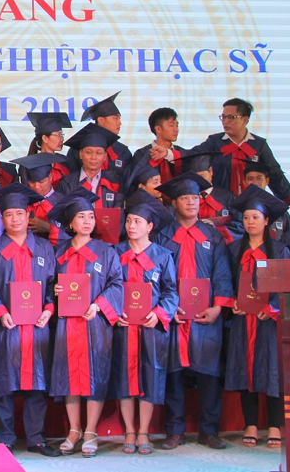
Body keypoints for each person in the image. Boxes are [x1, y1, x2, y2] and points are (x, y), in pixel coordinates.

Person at [0, 183, 59, 457]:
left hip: (37, 327)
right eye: (9, 215)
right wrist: (0, 311)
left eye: (19, 214)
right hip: (6, 326)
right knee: (4, 384)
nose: (14, 219)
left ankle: (36, 438)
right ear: (2, 218)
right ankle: (6, 439)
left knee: (37, 383)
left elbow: (52, 284)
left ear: (28, 215)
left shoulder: (44, 248)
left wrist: (49, 308)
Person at [155, 172, 233, 451]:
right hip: (174, 315)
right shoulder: (163, 235)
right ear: (174, 202)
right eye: (185, 198)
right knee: (173, 373)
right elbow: (157, 276)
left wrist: (218, 307)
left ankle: (209, 431)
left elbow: (222, 273)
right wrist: (167, 308)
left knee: (209, 373)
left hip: (205, 316)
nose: (191, 202)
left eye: (195, 198)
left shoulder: (212, 235)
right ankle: (174, 430)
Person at [48, 189, 123, 457]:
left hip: (94, 324)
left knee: (95, 372)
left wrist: (98, 305)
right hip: (67, 324)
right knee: (67, 374)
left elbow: (117, 283)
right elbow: (47, 285)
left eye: (91, 216)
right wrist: (54, 291)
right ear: (70, 222)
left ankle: (90, 430)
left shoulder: (106, 251)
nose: (88, 221)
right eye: (81, 217)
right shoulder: (58, 252)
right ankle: (74, 429)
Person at [110, 193, 178, 456]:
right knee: (124, 376)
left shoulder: (163, 256)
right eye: (128, 221)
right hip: (124, 326)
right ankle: (129, 430)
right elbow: (108, 287)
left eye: (137, 221)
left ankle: (144, 431)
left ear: (150, 226)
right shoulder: (116, 253)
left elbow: (171, 291)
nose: (131, 226)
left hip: (151, 327)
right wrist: (114, 312)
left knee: (151, 374)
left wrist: (159, 313)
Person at [224, 185, 290, 449]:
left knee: (272, 369)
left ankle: (274, 424)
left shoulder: (280, 251)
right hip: (243, 320)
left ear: (266, 221)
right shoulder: (233, 250)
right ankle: (250, 423)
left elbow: (288, 286)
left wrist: (272, 308)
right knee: (244, 369)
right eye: (246, 217)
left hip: (269, 322)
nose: (250, 221)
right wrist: (233, 303)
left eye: (255, 217)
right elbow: (225, 282)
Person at [189, 98, 290, 205]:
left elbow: (275, 173)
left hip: (252, 204)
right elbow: (191, 156)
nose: (225, 121)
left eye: (230, 117)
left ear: (245, 120)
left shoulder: (258, 144)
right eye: (223, 117)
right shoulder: (215, 142)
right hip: (221, 203)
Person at [56, 123, 125, 209]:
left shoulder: (115, 182)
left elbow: (119, 212)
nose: (93, 157)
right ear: (81, 154)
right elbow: (60, 213)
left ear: (104, 156)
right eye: (88, 152)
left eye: (98, 153)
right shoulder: (67, 184)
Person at [185, 150, 243, 244]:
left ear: (211, 171)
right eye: (195, 177)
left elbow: (240, 224)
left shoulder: (227, 197)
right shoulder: (187, 200)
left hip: (224, 246)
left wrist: (218, 230)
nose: (199, 180)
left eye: (202, 175)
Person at [13, 153, 68, 245]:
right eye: (32, 182)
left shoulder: (64, 202)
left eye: (41, 182)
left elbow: (71, 237)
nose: (36, 187)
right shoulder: (23, 202)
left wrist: (49, 228)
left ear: (50, 177)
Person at [77, 93, 132, 184]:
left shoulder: (123, 151)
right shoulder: (78, 149)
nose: (119, 123)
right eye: (115, 118)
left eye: (119, 119)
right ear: (101, 120)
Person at [241, 159, 290, 240]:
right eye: (250, 178)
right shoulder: (237, 209)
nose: (255, 183)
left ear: (267, 181)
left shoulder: (279, 209)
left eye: (259, 178)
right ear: (244, 182)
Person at [131, 107, 186, 184]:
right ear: (158, 129)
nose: (176, 129)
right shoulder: (142, 155)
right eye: (171, 125)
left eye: (177, 125)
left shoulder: (182, 154)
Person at [25, 112, 74, 187]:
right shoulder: (28, 164)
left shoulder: (67, 162)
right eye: (58, 135)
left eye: (62, 135)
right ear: (45, 138)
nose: (62, 139)